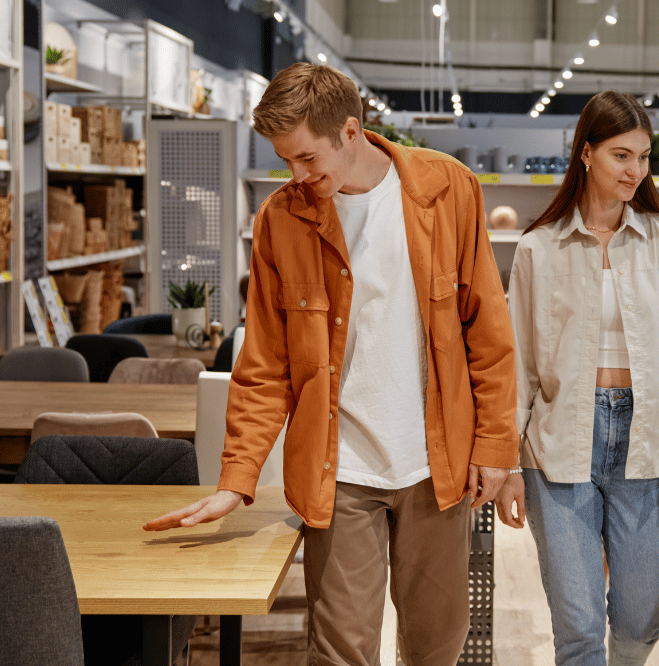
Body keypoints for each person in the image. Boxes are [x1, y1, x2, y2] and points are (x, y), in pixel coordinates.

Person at [144, 62, 519, 665]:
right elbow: (263, 364)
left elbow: (489, 333)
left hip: (437, 465)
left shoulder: (448, 188)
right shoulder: (281, 220)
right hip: (338, 471)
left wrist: (497, 449)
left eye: (307, 159)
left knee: (436, 648)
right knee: (339, 650)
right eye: (285, 161)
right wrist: (236, 481)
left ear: (351, 131)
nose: (297, 175)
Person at [494, 91, 659, 665]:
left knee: (642, 612)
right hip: (560, 440)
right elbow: (519, 368)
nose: (635, 171)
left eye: (643, 157)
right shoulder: (539, 249)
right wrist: (510, 463)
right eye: (621, 155)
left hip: (649, 442)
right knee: (578, 624)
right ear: (586, 154)